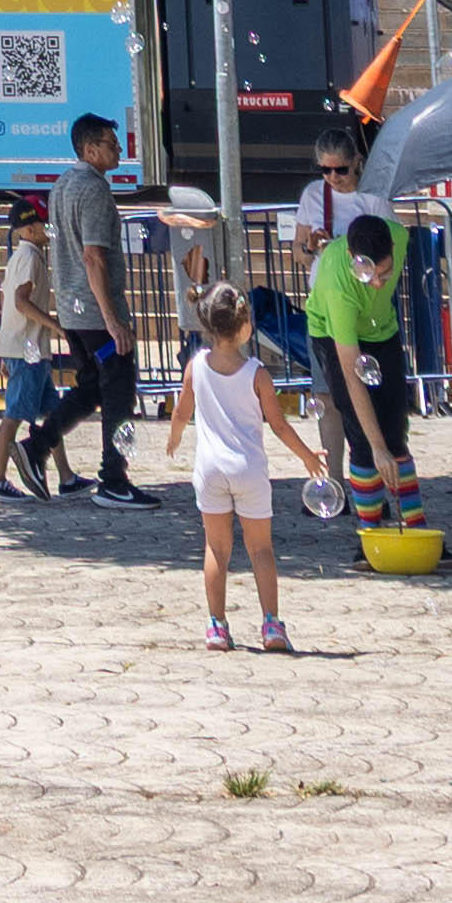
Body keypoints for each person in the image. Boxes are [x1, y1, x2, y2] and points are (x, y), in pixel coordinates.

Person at [173, 269, 319, 655]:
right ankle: (271, 624)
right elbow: (280, 426)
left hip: (209, 470)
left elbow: (180, 413)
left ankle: (217, 627)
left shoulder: (196, 367)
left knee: (216, 549)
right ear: (243, 328)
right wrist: (307, 457)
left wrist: (172, 440)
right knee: (261, 550)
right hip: (249, 470)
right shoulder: (257, 373)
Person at [8, 112, 143, 506]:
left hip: (72, 311)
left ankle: (37, 447)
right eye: (111, 143)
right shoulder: (95, 190)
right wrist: (113, 319)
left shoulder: (63, 184)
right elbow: (93, 257)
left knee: (88, 389)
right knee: (118, 390)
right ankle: (113, 480)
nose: (119, 149)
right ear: (89, 149)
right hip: (97, 314)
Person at [299, 197, 415, 488]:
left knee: (395, 429)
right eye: (369, 276)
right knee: (363, 438)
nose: (378, 283)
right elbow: (353, 376)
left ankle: (412, 522)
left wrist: (387, 445)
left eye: (385, 273)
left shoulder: (398, 236)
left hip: (381, 328)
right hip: (330, 332)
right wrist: (377, 447)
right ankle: (370, 525)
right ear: (352, 255)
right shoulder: (338, 286)